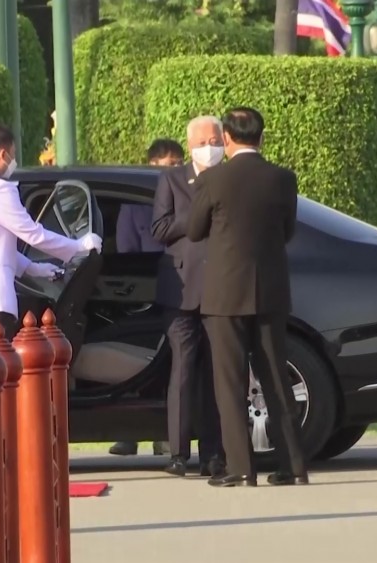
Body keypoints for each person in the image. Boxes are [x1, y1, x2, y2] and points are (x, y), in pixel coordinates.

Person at [187, 107, 306, 488]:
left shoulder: (213, 179)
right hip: (271, 289)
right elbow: (287, 231)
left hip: (225, 293)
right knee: (276, 376)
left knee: (229, 382)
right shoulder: (283, 179)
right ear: (262, 137)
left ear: (226, 139)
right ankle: (294, 465)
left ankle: (241, 467)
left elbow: (194, 230)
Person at [0, 124, 102, 344]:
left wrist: (33, 268)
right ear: (3, 154)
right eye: (13, 155)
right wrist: (78, 246)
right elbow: (32, 234)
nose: (13, 162)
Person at [151, 121, 227, 478]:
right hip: (181, 289)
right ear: (190, 145)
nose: (209, 147)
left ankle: (213, 454)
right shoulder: (172, 180)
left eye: (214, 140)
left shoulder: (230, 178)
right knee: (182, 370)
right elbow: (160, 229)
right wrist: (198, 210)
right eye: (202, 142)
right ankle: (178, 453)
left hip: (221, 288)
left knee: (215, 374)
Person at [107, 139, 181, 458]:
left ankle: (165, 435)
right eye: (165, 163)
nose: (172, 169)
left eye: (176, 163)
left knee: (173, 363)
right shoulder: (134, 203)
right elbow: (126, 250)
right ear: (151, 165)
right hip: (142, 291)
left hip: (181, 288)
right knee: (135, 361)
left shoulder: (186, 197)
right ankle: (128, 433)